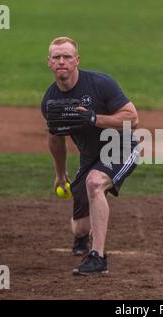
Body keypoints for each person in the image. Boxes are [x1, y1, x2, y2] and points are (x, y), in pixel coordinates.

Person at [41, 37, 139, 275]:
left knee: (94, 183)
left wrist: (95, 119)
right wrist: (60, 173)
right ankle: (82, 240)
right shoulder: (50, 101)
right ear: (49, 63)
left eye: (67, 56)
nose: (61, 61)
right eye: (56, 57)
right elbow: (56, 139)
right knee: (79, 227)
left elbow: (133, 119)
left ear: (77, 60)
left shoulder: (100, 83)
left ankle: (98, 258)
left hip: (120, 146)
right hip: (89, 156)